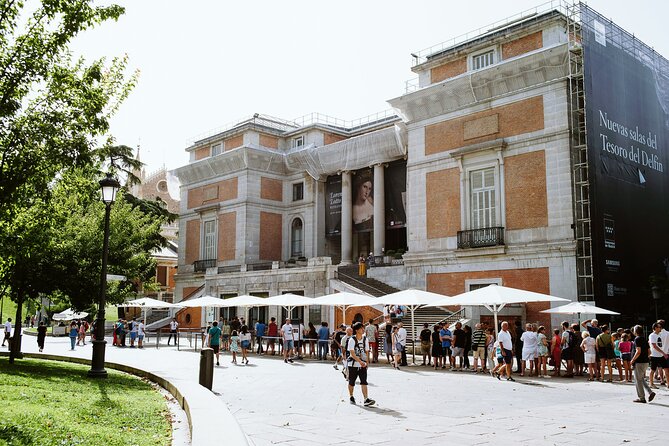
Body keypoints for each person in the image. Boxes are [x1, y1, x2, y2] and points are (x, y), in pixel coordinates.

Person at [346, 322, 375, 406]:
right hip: (353, 364)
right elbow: (352, 353)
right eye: (361, 328)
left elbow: (367, 351)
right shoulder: (352, 340)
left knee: (364, 382)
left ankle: (366, 399)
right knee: (352, 382)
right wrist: (360, 361)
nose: (363, 330)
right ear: (356, 330)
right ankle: (351, 396)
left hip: (362, 365)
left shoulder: (365, 339)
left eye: (363, 328)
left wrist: (367, 362)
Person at [631, 325, 655, 403]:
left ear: (636, 331)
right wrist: (646, 358)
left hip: (639, 362)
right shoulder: (644, 339)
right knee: (641, 379)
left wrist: (632, 360)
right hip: (645, 362)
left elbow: (638, 351)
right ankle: (650, 392)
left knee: (638, 380)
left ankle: (642, 397)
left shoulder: (637, 339)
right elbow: (649, 351)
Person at [649, 322, 669, 389]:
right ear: (655, 328)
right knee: (653, 370)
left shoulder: (660, 334)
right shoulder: (652, 335)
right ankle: (651, 383)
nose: (660, 328)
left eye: (660, 327)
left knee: (666, 369)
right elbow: (654, 346)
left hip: (661, 355)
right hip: (654, 355)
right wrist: (663, 353)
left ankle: (668, 384)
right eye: (659, 327)